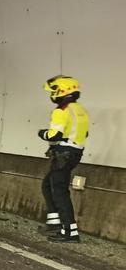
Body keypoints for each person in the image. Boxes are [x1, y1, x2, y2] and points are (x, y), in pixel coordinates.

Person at [38, 75, 89, 243]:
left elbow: (54, 135)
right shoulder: (80, 110)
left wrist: (42, 133)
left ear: (61, 91)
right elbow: (85, 133)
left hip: (63, 154)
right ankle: (54, 223)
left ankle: (70, 232)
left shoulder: (61, 111)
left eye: (53, 91)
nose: (52, 94)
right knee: (48, 185)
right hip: (74, 154)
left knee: (60, 192)